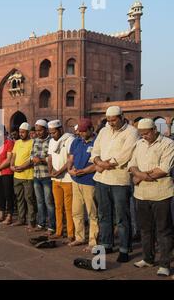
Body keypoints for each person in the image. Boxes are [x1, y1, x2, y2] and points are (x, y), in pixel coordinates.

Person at [90, 106, 139, 263]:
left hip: (119, 179)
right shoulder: (104, 131)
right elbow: (95, 150)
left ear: (122, 117)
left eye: (114, 120)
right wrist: (98, 161)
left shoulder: (131, 132)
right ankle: (106, 243)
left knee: (122, 216)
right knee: (104, 214)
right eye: (109, 120)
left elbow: (125, 155)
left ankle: (124, 248)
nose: (111, 123)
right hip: (102, 179)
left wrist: (105, 164)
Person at [129, 119, 174, 277]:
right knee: (145, 229)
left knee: (163, 230)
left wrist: (139, 177)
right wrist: (141, 175)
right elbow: (132, 164)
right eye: (141, 134)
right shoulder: (139, 143)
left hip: (161, 193)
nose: (144, 136)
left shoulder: (167, 143)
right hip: (141, 194)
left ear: (155, 129)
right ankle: (148, 258)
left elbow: (164, 169)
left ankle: (164, 264)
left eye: (147, 133)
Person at [67, 118, 99, 251]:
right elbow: (70, 157)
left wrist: (83, 171)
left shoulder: (97, 142)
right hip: (76, 181)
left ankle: (93, 241)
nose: (81, 134)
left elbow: (97, 163)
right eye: (79, 131)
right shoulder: (76, 141)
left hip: (89, 181)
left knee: (92, 212)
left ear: (91, 129)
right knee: (76, 211)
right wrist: (70, 169)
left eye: (83, 131)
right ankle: (79, 237)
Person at [48, 120, 75, 242]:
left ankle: (70, 233)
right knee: (58, 207)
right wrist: (50, 170)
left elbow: (70, 159)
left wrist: (60, 171)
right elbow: (50, 157)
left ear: (60, 129)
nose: (52, 135)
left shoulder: (69, 139)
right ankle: (59, 231)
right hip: (55, 179)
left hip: (67, 179)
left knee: (68, 208)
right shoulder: (51, 141)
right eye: (51, 133)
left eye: (54, 132)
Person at [31, 120, 56, 234]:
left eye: (40, 130)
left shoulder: (51, 141)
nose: (38, 132)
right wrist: (33, 159)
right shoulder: (35, 140)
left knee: (49, 202)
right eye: (36, 130)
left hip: (47, 175)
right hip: (36, 174)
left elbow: (52, 158)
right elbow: (32, 155)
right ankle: (41, 224)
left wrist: (40, 160)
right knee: (39, 201)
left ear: (46, 130)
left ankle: (52, 226)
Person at [10, 122, 37, 229]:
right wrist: (12, 165)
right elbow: (13, 155)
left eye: (23, 132)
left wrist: (22, 167)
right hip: (17, 176)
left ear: (28, 132)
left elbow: (32, 159)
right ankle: (21, 219)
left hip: (28, 176)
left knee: (29, 199)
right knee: (19, 198)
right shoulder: (17, 142)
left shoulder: (33, 142)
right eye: (20, 132)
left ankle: (32, 221)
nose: (21, 134)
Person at [0, 127, 15, 225]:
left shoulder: (9, 143)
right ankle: (1, 214)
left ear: (5, 133)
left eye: (0, 134)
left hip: (6, 172)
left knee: (8, 194)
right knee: (0, 194)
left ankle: (9, 215)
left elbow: (9, 159)